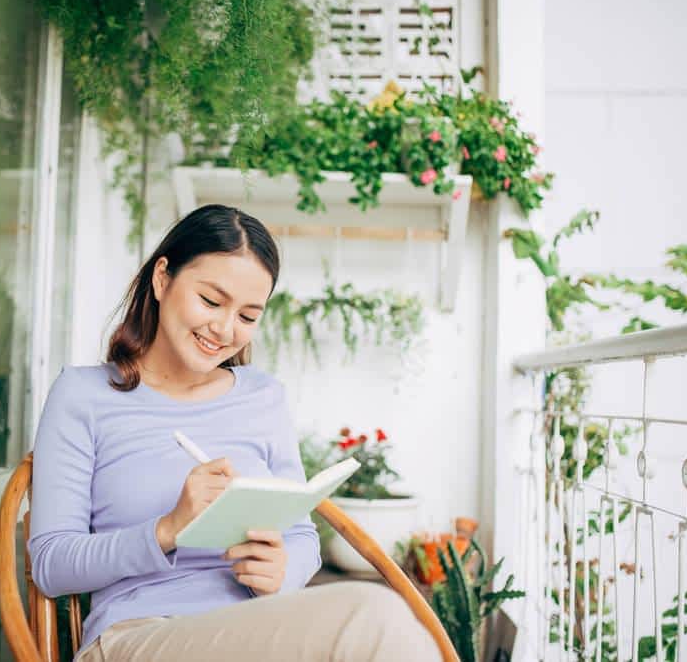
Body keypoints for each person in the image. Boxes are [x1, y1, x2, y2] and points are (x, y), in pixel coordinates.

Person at [28, 205, 441, 661]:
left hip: (256, 632)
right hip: (137, 637)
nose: (224, 329)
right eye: (210, 301)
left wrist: (280, 572)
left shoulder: (263, 397)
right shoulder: (83, 395)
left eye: (247, 316)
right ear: (162, 279)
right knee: (373, 618)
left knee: (381, 623)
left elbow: (301, 536)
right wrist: (167, 529)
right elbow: (50, 564)